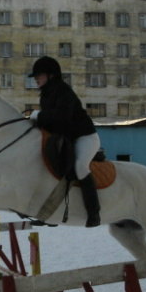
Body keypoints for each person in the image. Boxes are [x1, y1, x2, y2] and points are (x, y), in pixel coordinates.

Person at [29, 56, 101, 227]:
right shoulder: (46, 95)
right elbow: (50, 124)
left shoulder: (63, 91)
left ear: (51, 75)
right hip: (66, 139)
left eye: (39, 75)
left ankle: (94, 213)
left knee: (79, 167)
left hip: (85, 137)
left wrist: (38, 116)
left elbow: (61, 119)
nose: (36, 79)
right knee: (50, 169)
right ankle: (50, 214)